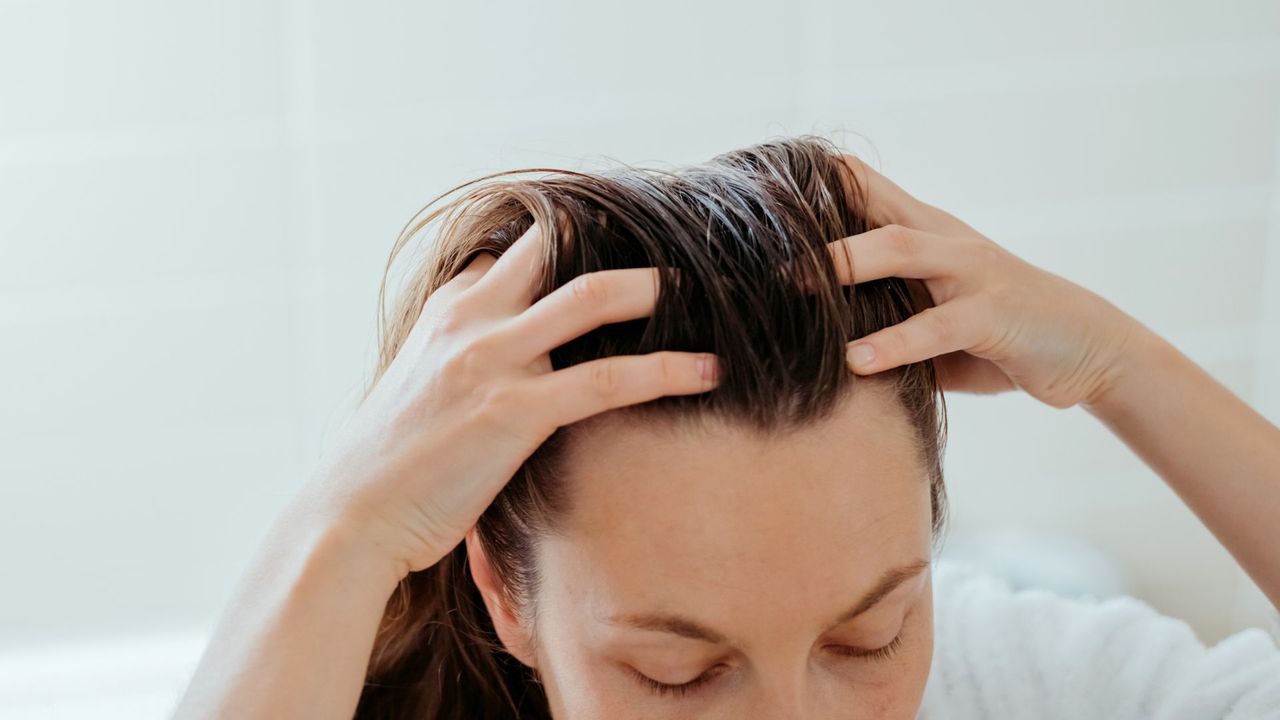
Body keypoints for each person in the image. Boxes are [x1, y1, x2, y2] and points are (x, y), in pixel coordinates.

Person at [173, 137, 1280, 719]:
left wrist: (1123, 369)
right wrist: (344, 530)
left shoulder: (1003, 681)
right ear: (506, 598)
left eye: (867, 639)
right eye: (677, 674)